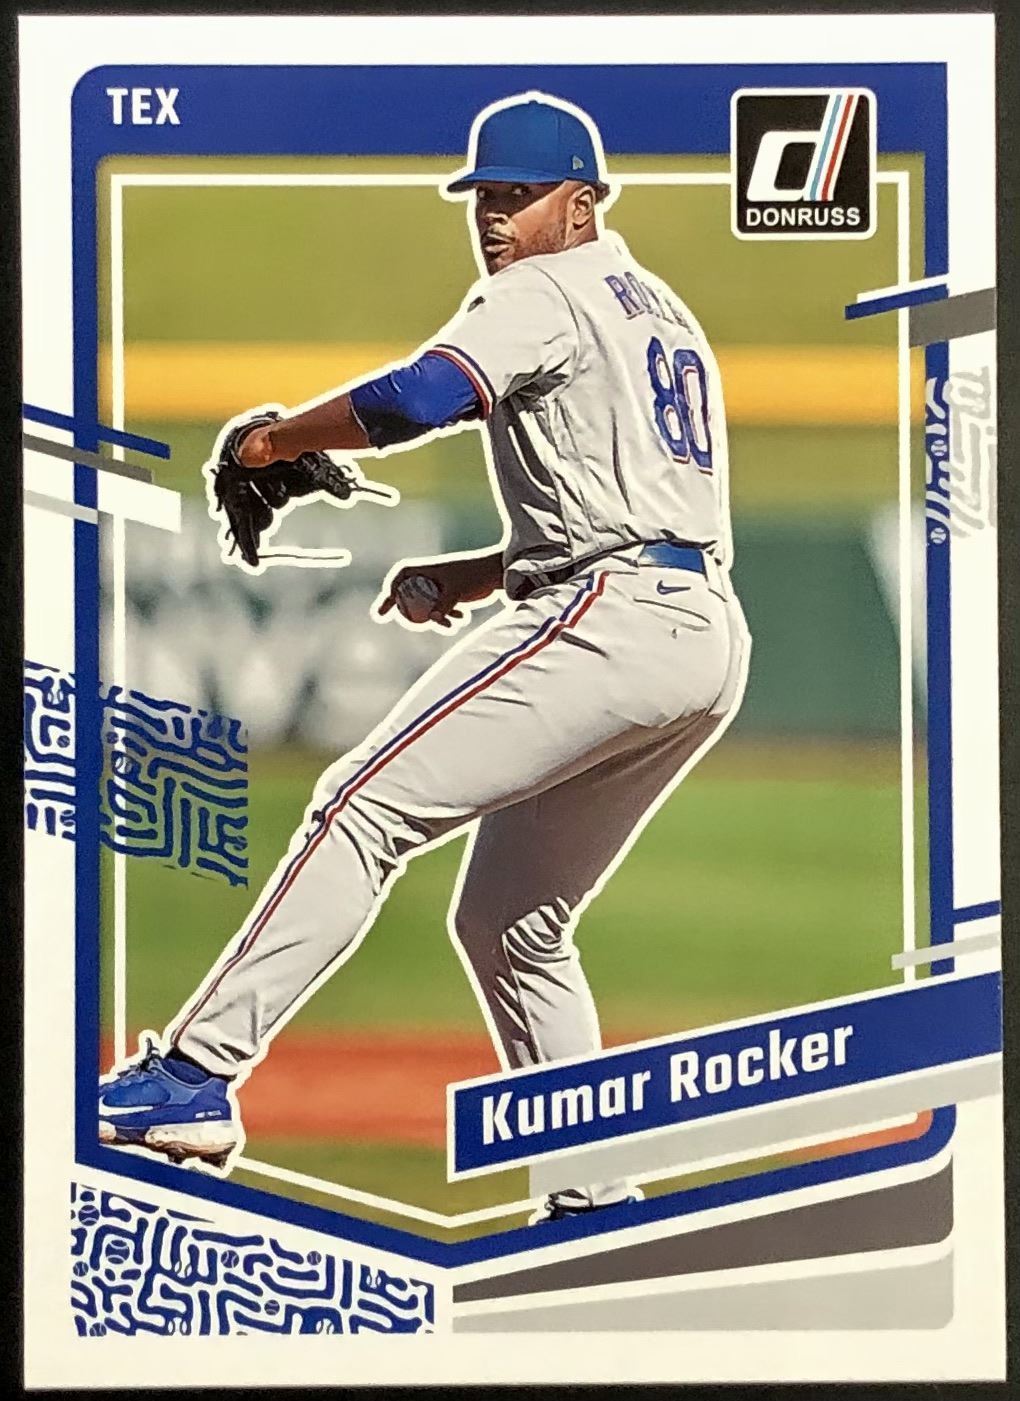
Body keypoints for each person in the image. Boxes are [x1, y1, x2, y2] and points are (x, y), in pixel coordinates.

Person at [98, 91, 751, 1224]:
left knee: (360, 807)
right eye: (484, 196)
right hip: (698, 633)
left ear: (582, 203)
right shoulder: (660, 310)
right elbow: (641, 508)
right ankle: (594, 1196)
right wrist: (483, 573)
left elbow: (422, 397)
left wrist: (272, 440)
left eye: (520, 195)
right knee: (513, 925)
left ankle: (195, 1074)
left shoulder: (541, 290)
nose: (495, 216)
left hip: (613, 619)